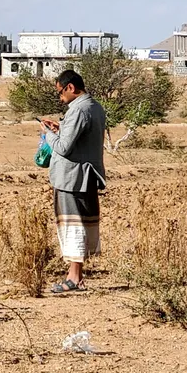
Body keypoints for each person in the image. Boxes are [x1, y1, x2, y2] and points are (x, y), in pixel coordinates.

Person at [39, 68, 106, 293]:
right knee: (80, 223)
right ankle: (74, 275)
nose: (60, 98)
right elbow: (79, 138)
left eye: (60, 92)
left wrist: (48, 134)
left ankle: (75, 278)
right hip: (86, 175)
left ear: (70, 87)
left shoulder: (78, 110)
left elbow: (64, 147)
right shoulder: (95, 107)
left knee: (72, 225)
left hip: (72, 177)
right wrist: (61, 129)